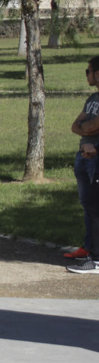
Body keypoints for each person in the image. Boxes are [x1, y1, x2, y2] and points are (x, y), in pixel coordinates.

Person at [67, 56, 99, 273]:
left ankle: (96, 260)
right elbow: (76, 126)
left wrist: (89, 128)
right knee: (88, 205)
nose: (86, 75)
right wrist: (87, 127)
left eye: (88, 71)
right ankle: (90, 249)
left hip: (95, 156)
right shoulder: (92, 98)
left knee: (96, 207)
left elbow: (92, 125)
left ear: (97, 74)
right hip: (84, 155)